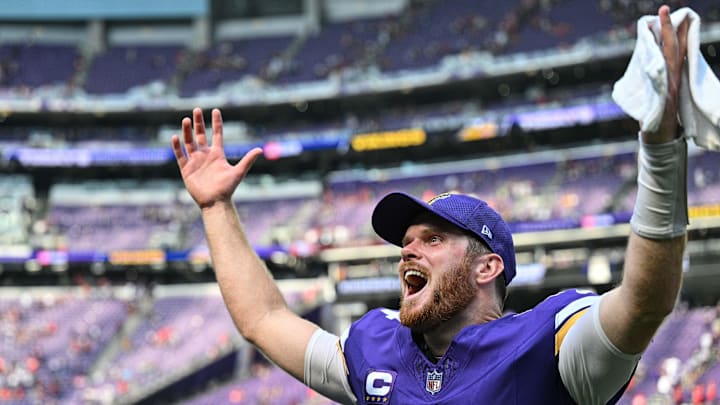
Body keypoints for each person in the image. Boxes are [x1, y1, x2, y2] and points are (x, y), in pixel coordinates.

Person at [171, 5, 690, 404]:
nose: (407, 253)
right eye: (406, 242)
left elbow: (645, 301)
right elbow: (262, 318)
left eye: (433, 239)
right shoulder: (376, 348)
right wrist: (216, 207)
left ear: (487, 266)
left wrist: (662, 150)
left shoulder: (549, 345)